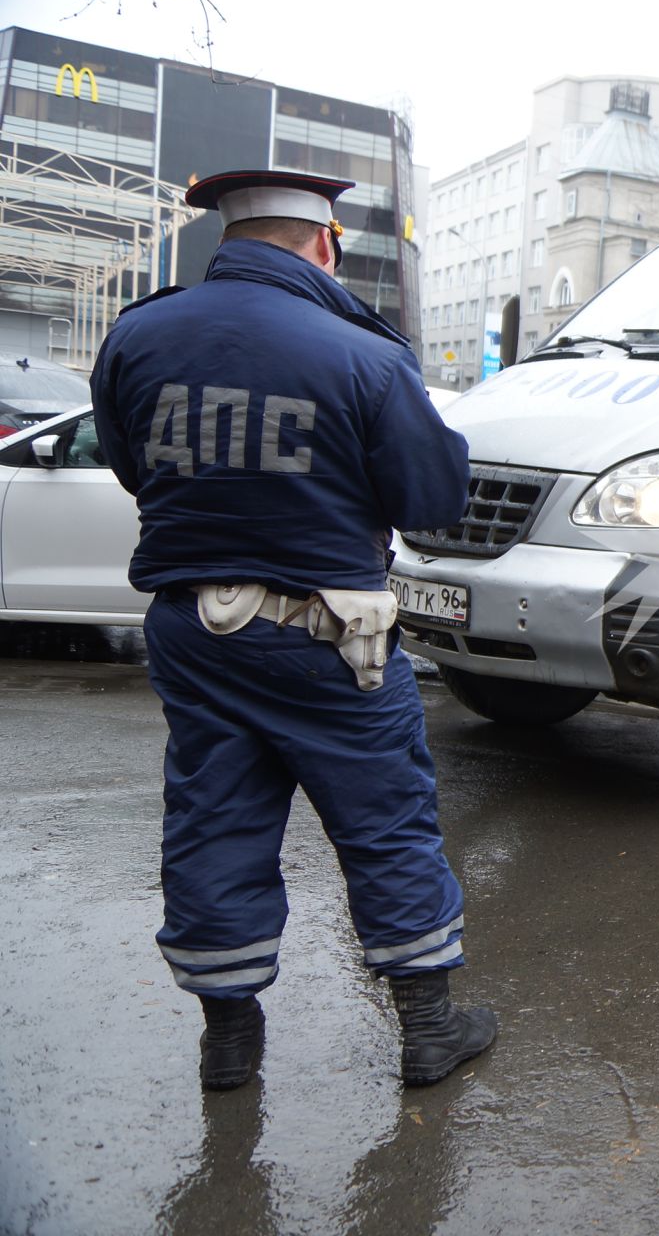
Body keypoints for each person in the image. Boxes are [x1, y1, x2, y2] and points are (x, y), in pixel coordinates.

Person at [90, 169, 497, 1090]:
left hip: (194, 631)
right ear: (325, 244)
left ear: (224, 242)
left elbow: (132, 468)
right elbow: (434, 502)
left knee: (213, 816)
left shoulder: (138, 336)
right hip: (330, 641)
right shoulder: (361, 352)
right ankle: (429, 1030)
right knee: (386, 822)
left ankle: (228, 1041)